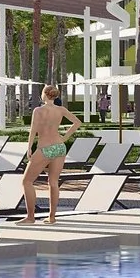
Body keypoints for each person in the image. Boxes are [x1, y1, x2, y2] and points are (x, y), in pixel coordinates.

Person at [19, 85, 84, 224]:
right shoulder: (61, 110)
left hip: (45, 148)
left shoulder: (38, 110)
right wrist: (64, 138)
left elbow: (33, 130)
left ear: (44, 94)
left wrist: (29, 147)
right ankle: (52, 217)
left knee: (27, 181)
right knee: (53, 182)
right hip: (59, 147)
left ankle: (30, 217)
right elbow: (77, 123)